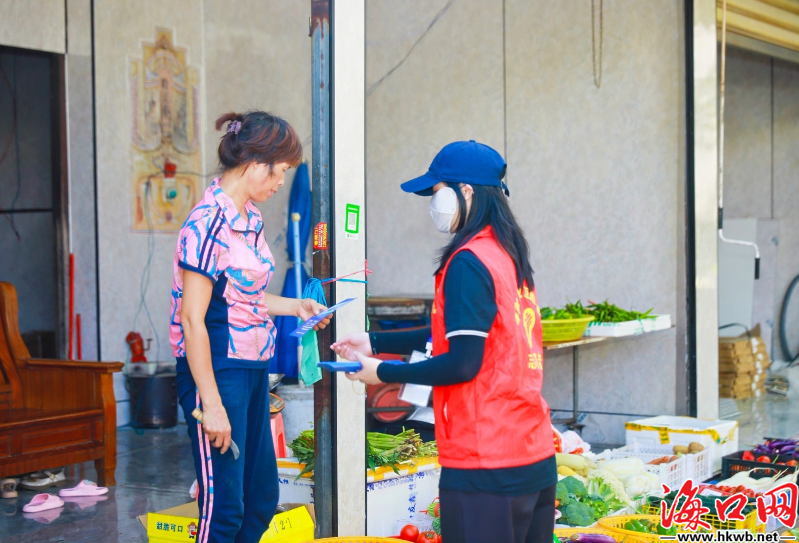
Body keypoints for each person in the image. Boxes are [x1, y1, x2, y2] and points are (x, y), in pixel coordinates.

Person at [332, 141, 556, 543]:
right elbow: (459, 329)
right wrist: (375, 340)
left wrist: (382, 372)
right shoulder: (506, 253)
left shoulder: (470, 260)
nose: (434, 203)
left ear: (465, 190)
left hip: (485, 460)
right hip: (532, 453)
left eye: (437, 191)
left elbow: (463, 362)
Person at [169, 111, 331, 543]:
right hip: (217, 372)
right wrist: (212, 404)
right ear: (257, 163)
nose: (281, 182)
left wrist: (296, 306)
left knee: (260, 500)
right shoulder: (206, 224)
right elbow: (192, 318)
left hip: (253, 367)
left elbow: (244, 296)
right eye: (281, 171)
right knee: (224, 508)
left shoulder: (251, 219)